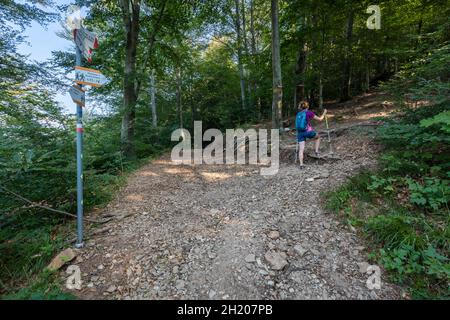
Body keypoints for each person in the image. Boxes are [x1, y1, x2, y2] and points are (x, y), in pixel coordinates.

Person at [296, 100, 327, 168]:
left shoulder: (298, 114)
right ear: (307, 107)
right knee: (318, 137)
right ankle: (316, 151)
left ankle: (301, 164)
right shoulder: (309, 112)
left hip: (300, 133)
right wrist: (324, 113)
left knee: (301, 149)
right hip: (308, 132)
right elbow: (320, 119)